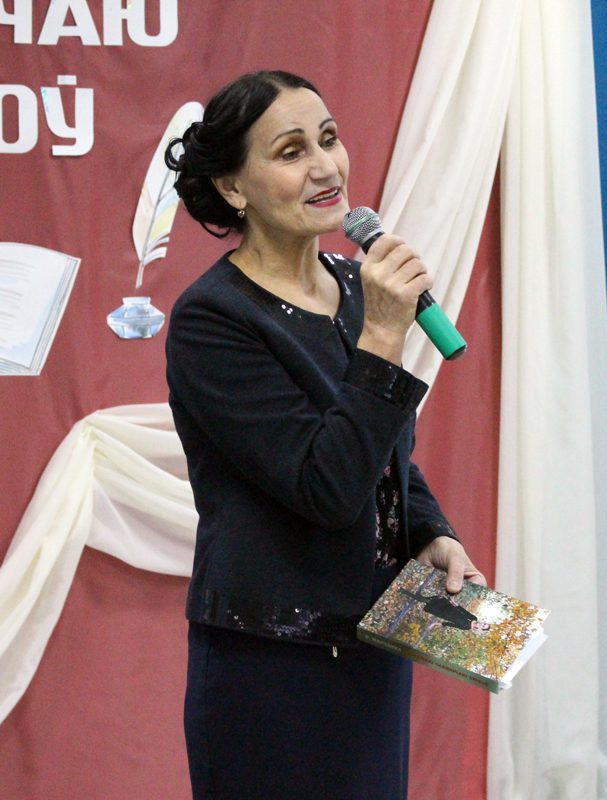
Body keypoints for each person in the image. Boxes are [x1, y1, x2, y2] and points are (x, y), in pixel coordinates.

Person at [164, 69, 486, 800]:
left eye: (329, 139)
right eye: (291, 151)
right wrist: (383, 336)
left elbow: (384, 450)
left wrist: (429, 529)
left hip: (374, 643)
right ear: (233, 187)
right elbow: (328, 486)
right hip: (275, 661)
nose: (325, 166)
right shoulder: (213, 319)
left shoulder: (353, 283)